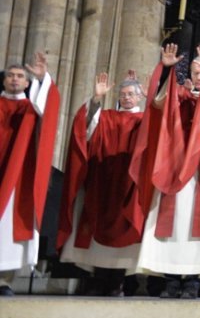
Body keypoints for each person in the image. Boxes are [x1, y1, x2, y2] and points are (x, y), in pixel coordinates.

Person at [131, 44, 200, 298]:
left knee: (198, 228)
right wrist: (167, 70)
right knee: (173, 225)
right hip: (174, 168)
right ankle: (171, 280)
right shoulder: (179, 97)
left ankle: (192, 282)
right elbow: (158, 104)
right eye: (196, 73)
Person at [58, 70, 146, 296]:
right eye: (122, 93)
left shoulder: (145, 119)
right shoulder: (106, 116)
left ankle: (118, 281)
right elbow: (85, 128)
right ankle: (98, 279)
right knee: (97, 223)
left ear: (139, 97)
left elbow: (161, 129)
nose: (126, 97)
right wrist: (96, 98)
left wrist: (154, 98)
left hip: (129, 184)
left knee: (125, 232)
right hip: (103, 181)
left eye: (130, 94)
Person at [0, 51, 60, 297]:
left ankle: (4, 280)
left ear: (27, 83)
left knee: (9, 227)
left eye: (20, 77)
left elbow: (48, 106)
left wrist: (43, 77)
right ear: (4, 80)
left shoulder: (31, 108)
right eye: (11, 76)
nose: (15, 80)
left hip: (17, 176)